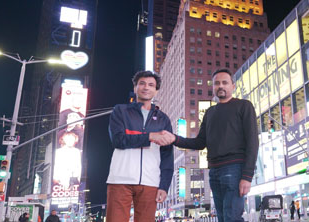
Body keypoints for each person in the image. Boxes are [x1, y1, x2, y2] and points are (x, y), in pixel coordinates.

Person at [155, 68, 259, 222]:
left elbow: (252, 141)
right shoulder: (209, 112)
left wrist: (247, 176)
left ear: (233, 86)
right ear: (213, 87)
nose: (221, 86)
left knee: (232, 217)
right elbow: (199, 142)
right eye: (217, 83)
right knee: (223, 218)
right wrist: (174, 139)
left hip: (234, 169)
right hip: (214, 171)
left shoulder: (244, 106)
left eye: (225, 82)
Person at [105, 71, 174, 222]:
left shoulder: (163, 119)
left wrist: (164, 186)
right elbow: (118, 140)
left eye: (151, 85)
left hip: (150, 182)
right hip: (120, 180)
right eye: (142, 83)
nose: (146, 87)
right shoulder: (120, 111)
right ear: (135, 87)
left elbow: (167, 156)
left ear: (156, 91)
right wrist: (149, 136)